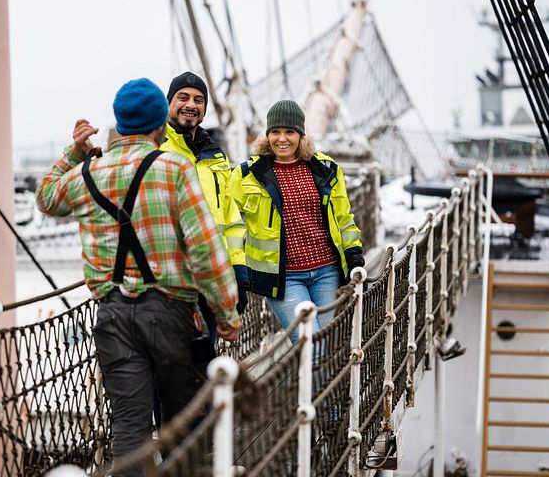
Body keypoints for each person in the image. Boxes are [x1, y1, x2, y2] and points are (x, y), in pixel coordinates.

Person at [35, 78, 241, 475]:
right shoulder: (174, 168)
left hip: (112, 316)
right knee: (181, 421)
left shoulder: (88, 173)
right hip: (171, 315)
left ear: (120, 121)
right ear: (159, 123)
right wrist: (226, 312)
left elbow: (46, 198)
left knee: (129, 429)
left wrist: (73, 153)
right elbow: (205, 249)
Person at [230, 99, 364, 343]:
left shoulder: (327, 169)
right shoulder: (246, 175)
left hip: (327, 271)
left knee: (327, 345)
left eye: (289, 132)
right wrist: (235, 268)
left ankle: (318, 384)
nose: (282, 139)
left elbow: (343, 218)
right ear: (267, 135)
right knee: (308, 344)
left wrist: (354, 252)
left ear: (301, 135)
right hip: (284, 277)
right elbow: (229, 225)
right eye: (275, 132)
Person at [161, 72, 249, 348]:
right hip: (170, 281)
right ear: (168, 103)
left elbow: (231, 219)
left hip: (212, 278)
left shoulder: (215, 154)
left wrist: (238, 274)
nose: (191, 104)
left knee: (203, 361)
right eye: (183, 97)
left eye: (199, 100)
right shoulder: (156, 148)